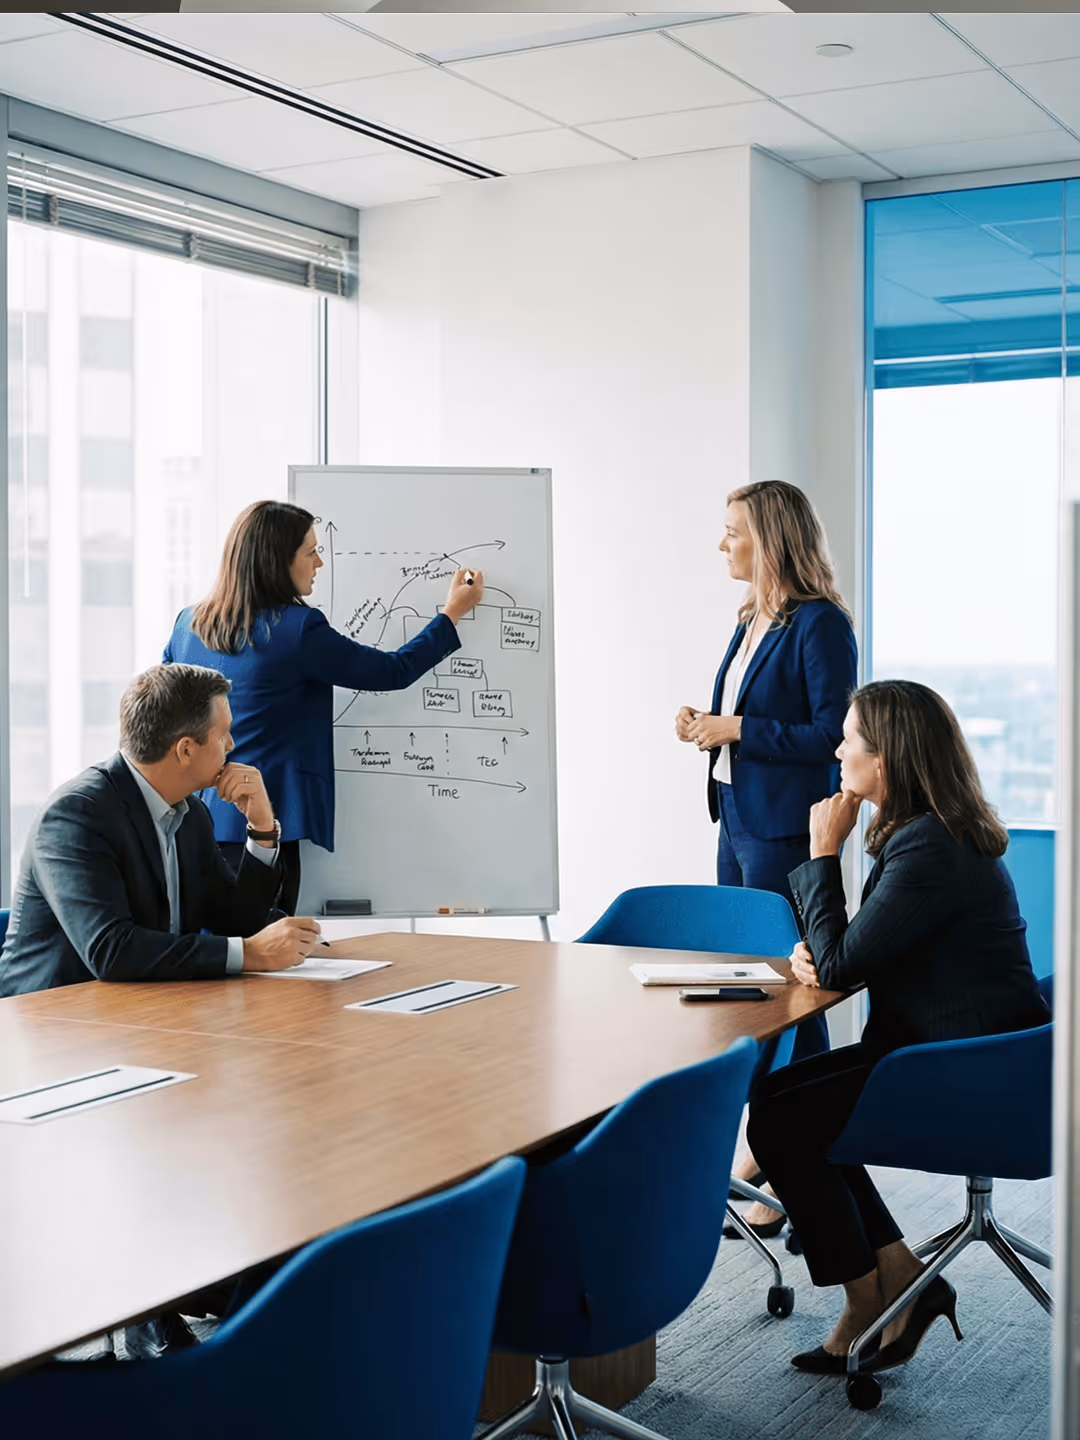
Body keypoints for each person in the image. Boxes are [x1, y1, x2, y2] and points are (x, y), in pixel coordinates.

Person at [746, 680, 1049, 1376]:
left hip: (969, 1074)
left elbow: (844, 965)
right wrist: (819, 954)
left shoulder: (928, 849)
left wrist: (824, 856)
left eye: (849, 738)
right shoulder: (932, 833)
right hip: (965, 1056)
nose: (837, 749)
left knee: (783, 1120)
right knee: (788, 1104)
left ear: (886, 758)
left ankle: (873, 1297)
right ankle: (898, 1282)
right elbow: (849, 958)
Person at [674, 479, 857, 1232]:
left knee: (795, 992)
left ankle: (795, 1147)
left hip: (784, 830)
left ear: (772, 539)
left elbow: (830, 737)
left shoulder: (820, 625)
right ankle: (776, 1147)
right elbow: (745, 716)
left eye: (733, 533)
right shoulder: (751, 616)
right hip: (737, 818)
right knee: (750, 990)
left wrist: (737, 728)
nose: (722, 545)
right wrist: (704, 723)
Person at [164, 501, 483, 914]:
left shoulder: (187, 623)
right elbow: (391, 671)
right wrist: (451, 614)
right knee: (261, 956)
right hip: (261, 829)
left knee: (214, 954)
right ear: (278, 561)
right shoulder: (297, 630)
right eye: (310, 551)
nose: (320, 562)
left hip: (189, 822)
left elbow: (168, 715)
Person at [0, 664, 321, 997]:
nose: (231, 743)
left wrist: (262, 828)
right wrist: (250, 954)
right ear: (185, 749)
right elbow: (111, 951)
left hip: (143, 1007)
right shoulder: (74, 816)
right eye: (223, 732)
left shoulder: (191, 812)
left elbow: (238, 921)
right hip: (51, 1020)